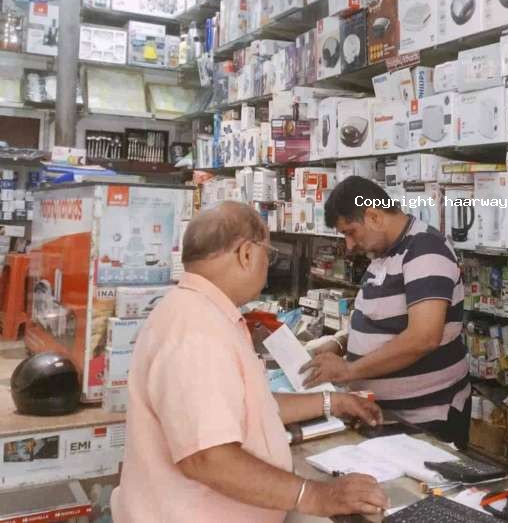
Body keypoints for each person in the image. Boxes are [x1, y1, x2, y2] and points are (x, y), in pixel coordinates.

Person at [111, 201, 388, 522]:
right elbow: (208, 458)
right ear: (246, 254)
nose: (267, 266)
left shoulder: (200, 312)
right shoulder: (196, 332)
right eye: (268, 255)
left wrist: (332, 402)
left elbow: (246, 408)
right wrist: (314, 495)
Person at [303, 177, 472, 448]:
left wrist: (349, 370)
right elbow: (380, 321)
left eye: (350, 232)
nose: (349, 245)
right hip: (390, 416)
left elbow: (424, 337)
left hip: (427, 419)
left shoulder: (425, 250)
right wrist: (339, 343)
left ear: (374, 217)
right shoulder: (386, 254)